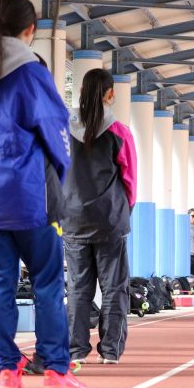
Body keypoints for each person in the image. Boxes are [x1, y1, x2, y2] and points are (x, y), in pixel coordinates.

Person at [0, 0, 87, 388]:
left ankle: (8, 372)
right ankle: (56, 373)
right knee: (47, 284)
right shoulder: (31, 74)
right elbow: (57, 132)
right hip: (30, 200)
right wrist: (59, 178)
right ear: (30, 31)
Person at [63, 68, 136, 368]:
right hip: (109, 220)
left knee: (78, 288)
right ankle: (110, 350)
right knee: (114, 287)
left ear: (81, 91)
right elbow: (130, 180)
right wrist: (123, 211)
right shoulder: (119, 131)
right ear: (110, 94)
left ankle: (76, 349)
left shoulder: (63, 126)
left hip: (72, 219)